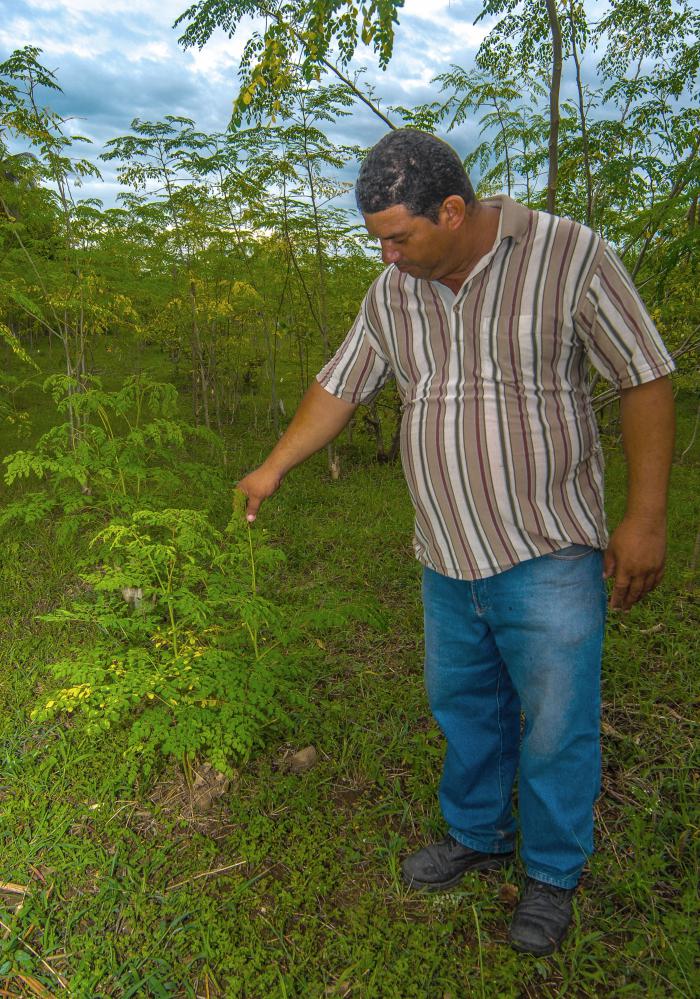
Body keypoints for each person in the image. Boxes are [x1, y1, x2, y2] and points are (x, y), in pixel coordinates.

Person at [237, 130, 675, 956]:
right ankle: (479, 832)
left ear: (451, 209)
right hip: (446, 550)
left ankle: (552, 871)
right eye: (378, 241)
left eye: (398, 237)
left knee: (556, 722)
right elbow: (341, 382)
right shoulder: (393, 292)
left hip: (548, 548)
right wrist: (273, 465)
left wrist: (645, 518)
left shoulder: (568, 255)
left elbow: (644, 374)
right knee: (466, 707)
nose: (388, 256)